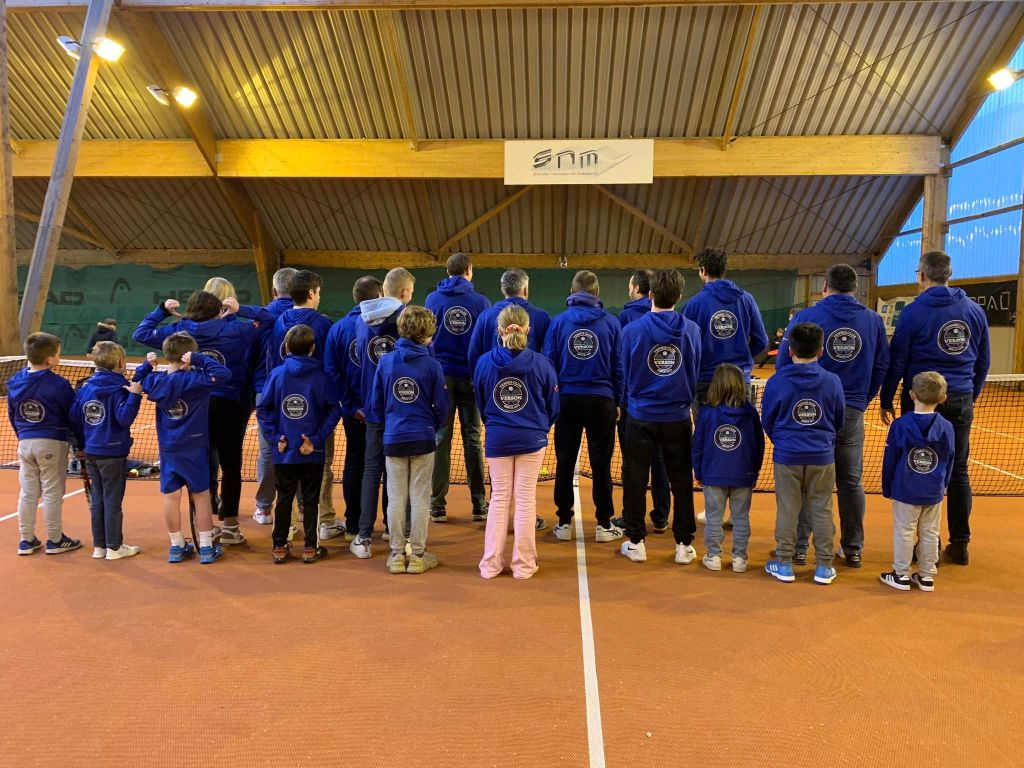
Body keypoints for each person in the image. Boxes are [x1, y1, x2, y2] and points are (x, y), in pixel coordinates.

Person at [133, 290, 273, 546]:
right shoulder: (234, 330)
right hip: (230, 403)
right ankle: (230, 527)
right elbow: (268, 319)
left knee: (202, 462)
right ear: (218, 310)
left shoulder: (180, 330)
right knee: (231, 465)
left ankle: (204, 528)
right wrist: (241, 309)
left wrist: (161, 311)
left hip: (195, 404)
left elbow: (140, 334)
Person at [880, 250, 990, 566]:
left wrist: (887, 398)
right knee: (958, 470)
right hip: (960, 398)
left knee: (917, 466)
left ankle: (927, 545)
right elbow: (983, 360)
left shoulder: (913, 312)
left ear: (922, 276)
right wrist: (970, 394)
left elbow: (898, 359)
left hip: (919, 401)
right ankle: (960, 543)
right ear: (949, 274)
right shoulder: (974, 311)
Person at [779, 264, 889, 567]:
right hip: (851, 410)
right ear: (856, 288)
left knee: (806, 478)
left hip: (811, 410)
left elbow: (785, 364)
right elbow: (882, 365)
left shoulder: (805, 317)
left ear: (825, 287)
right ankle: (852, 548)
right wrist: (863, 399)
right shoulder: (873, 320)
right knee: (850, 481)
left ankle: (798, 548)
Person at [618, 269, 701, 565]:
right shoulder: (692, 330)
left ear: (650, 295)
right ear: (679, 296)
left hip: (640, 416)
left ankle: (636, 542)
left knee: (635, 478)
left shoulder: (632, 331)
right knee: (681, 480)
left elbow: (626, 372)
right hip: (677, 417)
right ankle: (684, 544)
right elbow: (694, 368)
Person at [474, 305, 560, 579]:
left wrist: (495, 426)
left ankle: (490, 565)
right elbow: (553, 406)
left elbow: (481, 403)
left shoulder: (483, 363)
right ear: (528, 329)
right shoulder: (543, 364)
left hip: (498, 439)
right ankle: (524, 566)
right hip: (532, 438)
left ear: (499, 331)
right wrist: (539, 428)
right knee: (525, 500)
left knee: (499, 499)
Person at [468, 268, 552, 530]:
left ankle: (498, 517)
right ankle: (523, 521)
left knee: (501, 485)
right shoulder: (542, 316)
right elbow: (549, 363)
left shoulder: (486, 316)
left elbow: (473, 356)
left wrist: (485, 385)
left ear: (503, 289)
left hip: (497, 410)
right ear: (525, 289)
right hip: (532, 413)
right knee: (525, 490)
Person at [367, 306, 449, 574]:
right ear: (428, 333)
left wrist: (391, 424)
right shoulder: (433, 365)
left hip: (394, 439)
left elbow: (376, 404)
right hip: (423, 439)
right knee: (420, 498)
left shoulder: (386, 362)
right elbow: (442, 408)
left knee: (396, 498)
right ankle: (418, 556)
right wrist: (430, 426)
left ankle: (397, 555)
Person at [762, 322, 845, 585]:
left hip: (788, 456)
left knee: (788, 509)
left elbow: (768, 419)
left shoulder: (777, 381)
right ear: (821, 351)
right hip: (822, 456)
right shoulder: (833, 381)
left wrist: (783, 442)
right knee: (822, 509)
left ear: (790, 351)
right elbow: (839, 419)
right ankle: (824, 567)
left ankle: (785, 563)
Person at [543, 270, 623, 543]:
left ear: (571, 291)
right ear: (597, 292)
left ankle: (563, 523)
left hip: (567, 401)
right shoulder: (611, 323)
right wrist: (618, 400)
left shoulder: (558, 322)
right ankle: (603, 524)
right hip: (601, 401)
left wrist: (551, 400)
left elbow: (549, 363)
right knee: (601, 464)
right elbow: (618, 366)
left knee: (565, 461)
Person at [141, 333, 232, 564]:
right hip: (194, 446)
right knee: (201, 495)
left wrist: (146, 367)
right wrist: (199, 359)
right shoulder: (196, 380)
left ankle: (176, 546)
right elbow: (224, 374)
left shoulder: (154, 381)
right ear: (188, 356)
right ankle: (206, 547)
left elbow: (138, 379)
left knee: (171, 496)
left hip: (169, 448)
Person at [257, 324, 341, 564]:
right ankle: (311, 548)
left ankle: (279, 547)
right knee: (311, 500)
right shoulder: (322, 376)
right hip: (311, 452)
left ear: (286, 348)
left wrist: (276, 438)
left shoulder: (277, 374)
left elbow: (263, 409)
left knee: (284, 498)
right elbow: (334, 410)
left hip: (284, 452)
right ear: (313, 348)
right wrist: (315, 439)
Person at [267, 270, 341, 541]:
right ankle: (325, 521)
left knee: (285, 465)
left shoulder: (278, 323)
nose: (319, 297)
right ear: (311, 293)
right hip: (316, 413)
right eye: (318, 292)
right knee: (322, 465)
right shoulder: (324, 324)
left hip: (284, 412)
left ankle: (286, 526)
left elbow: (272, 364)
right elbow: (331, 368)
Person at [350, 267, 415, 559]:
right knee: (399, 473)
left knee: (371, 471)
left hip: (373, 408)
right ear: (404, 292)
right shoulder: (406, 319)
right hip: (401, 409)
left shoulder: (361, 320)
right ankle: (397, 532)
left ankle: (364, 537)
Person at [424, 253, 491, 524]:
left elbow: (427, 338)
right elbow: (485, 341)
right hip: (471, 377)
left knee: (441, 438)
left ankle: (437, 505)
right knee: (472, 439)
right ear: (469, 270)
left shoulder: (432, 300)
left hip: (441, 378)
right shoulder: (481, 302)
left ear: (447, 271)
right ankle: (479, 505)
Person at [880, 371, 954, 592]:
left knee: (904, 530)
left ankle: (901, 574)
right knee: (930, 531)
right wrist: (943, 485)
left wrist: (887, 487)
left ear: (911, 394)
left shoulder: (899, 425)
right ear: (943, 398)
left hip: (905, 490)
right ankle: (926, 576)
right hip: (933, 491)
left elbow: (890, 458)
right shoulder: (947, 427)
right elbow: (950, 459)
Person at [9, 332, 83, 555]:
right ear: (49, 359)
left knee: (28, 492)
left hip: (25, 443)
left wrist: (22, 435)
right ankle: (55, 539)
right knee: (52, 491)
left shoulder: (15, 380)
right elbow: (72, 416)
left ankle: (26, 540)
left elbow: (12, 413)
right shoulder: (59, 384)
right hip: (52, 443)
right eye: (58, 354)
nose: (59, 357)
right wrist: (79, 444)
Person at [71, 341, 144, 560]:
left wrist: (79, 446)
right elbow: (124, 418)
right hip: (113, 454)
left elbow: (74, 417)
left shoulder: (85, 387)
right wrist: (135, 395)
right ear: (121, 362)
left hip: (91, 452)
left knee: (98, 500)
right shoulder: (121, 388)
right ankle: (114, 547)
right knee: (112, 500)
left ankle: (100, 546)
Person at [613, 269, 670, 535]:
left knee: (632, 464)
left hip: (634, 403)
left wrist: (621, 397)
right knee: (660, 462)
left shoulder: (625, 318)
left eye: (630, 285)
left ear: (637, 288)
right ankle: (661, 517)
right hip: (665, 404)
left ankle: (631, 518)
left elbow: (620, 361)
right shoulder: (672, 320)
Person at [691, 363, 764, 573]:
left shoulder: (707, 412)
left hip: (713, 475)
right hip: (743, 475)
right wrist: (754, 472)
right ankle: (740, 559)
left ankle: (714, 556)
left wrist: (699, 471)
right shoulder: (750, 413)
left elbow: (698, 444)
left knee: (714, 517)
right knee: (741, 518)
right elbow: (758, 445)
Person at [325, 275, 383, 541]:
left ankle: (353, 526)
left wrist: (349, 405)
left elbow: (332, 371)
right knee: (384, 466)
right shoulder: (385, 327)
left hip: (355, 410)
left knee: (355, 460)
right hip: (380, 412)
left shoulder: (338, 329)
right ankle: (390, 528)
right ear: (379, 296)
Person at [250, 267, 298, 526]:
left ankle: (263, 508)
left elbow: (250, 356)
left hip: (264, 391)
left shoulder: (260, 318)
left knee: (268, 450)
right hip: (299, 391)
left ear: (273, 290)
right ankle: (305, 508)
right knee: (301, 447)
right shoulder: (307, 316)